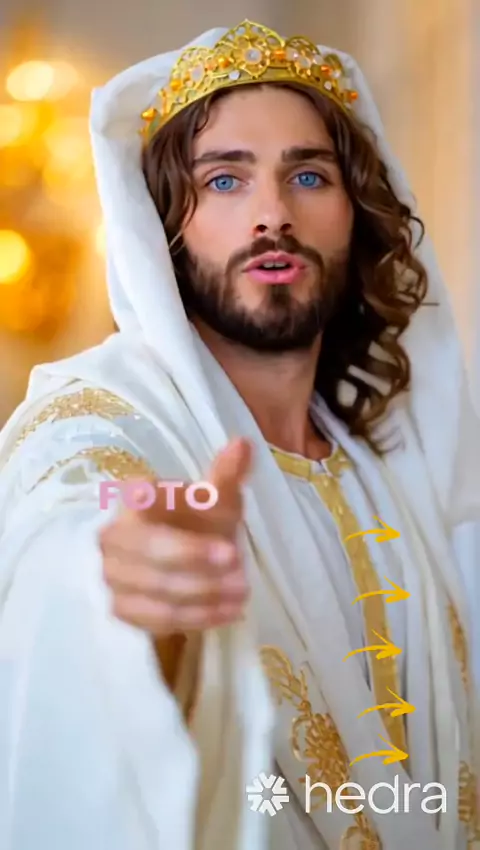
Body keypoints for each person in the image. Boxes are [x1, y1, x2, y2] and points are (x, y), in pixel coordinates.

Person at [0, 18, 478, 850]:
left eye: (309, 175)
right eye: (225, 180)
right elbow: (64, 519)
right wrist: (110, 577)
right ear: (166, 225)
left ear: (356, 212)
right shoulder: (103, 416)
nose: (272, 214)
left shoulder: (391, 462)